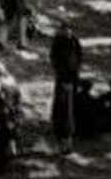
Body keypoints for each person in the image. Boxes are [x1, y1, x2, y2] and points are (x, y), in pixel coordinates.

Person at [49, 20, 83, 153]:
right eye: (65, 30)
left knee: (67, 107)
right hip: (64, 79)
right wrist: (63, 75)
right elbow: (55, 59)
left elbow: (79, 56)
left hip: (70, 78)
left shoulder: (73, 40)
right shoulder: (60, 41)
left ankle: (65, 134)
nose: (68, 32)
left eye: (69, 30)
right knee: (64, 108)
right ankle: (63, 136)